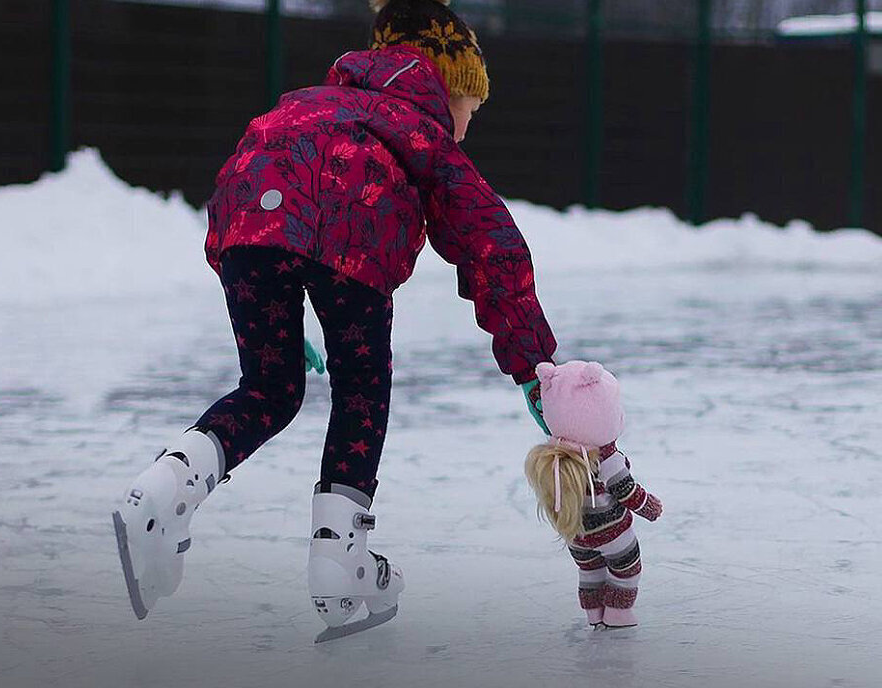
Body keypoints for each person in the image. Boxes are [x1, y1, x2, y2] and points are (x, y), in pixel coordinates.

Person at [112, 0, 558, 641]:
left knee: (270, 387)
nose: (466, 128)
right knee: (360, 390)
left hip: (246, 223)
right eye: (470, 109)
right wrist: (535, 367)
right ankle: (340, 557)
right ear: (447, 85)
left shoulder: (307, 101)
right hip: (349, 230)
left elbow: (248, 179)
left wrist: (274, 299)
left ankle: (162, 493)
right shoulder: (423, 130)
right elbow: (492, 244)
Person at [524, 361, 663, 629]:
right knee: (626, 569)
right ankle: (617, 613)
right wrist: (650, 507)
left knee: (590, 571)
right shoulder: (607, 459)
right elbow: (627, 493)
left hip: (577, 535)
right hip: (614, 535)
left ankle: (594, 613)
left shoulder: (556, 457)